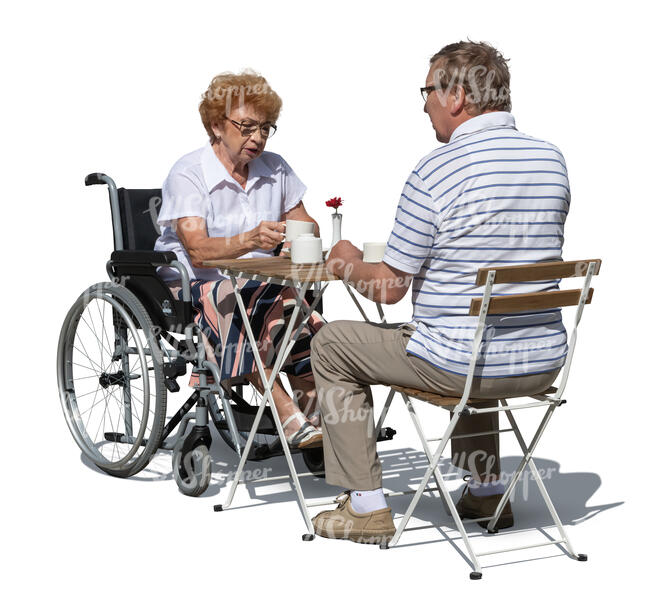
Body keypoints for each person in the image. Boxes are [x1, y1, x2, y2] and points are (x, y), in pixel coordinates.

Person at [310, 41, 569, 542]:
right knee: (477, 329)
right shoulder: (551, 159)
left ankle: (365, 508)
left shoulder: (437, 170)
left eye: (427, 90)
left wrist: (344, 263)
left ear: (455, 97)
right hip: (541, 358)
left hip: (464, 363)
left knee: (332, 343)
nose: (424, 102)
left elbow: (387, 288)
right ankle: (488, 490)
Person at [153, 70, 323, 449]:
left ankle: (316, 419)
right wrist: (249, 239)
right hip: (195, 281)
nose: (258, 138)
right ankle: (287, 414)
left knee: (297, 309)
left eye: (265, 128)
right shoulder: (190, 173)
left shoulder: (276, 168)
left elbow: (305, 223)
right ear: (216, 125)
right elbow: (196, 249)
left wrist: (301, 237)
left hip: (259, 281)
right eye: (247, 126)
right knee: (232, 297)